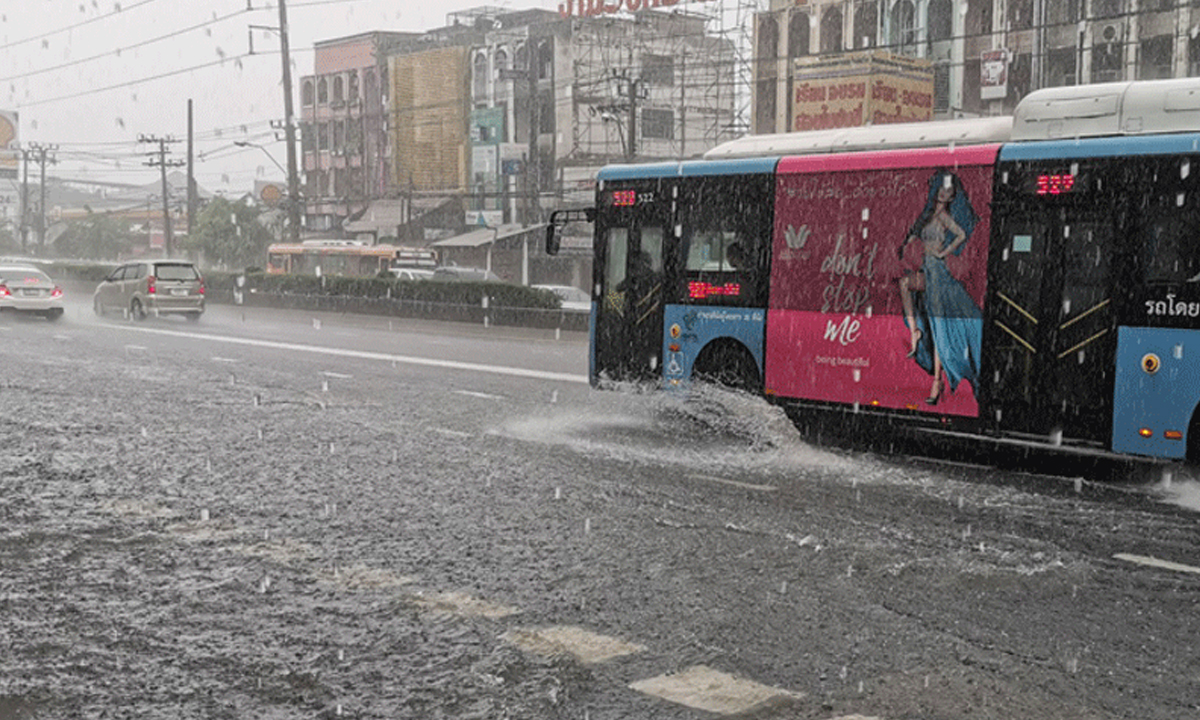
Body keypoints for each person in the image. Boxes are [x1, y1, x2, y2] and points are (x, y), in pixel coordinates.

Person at [897, 171, 982, 405]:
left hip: (938, 272)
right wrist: (912, 241)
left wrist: (943, 252)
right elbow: (915, 236)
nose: (944, 195)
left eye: (949, 193)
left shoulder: (944, 216)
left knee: (938, 326)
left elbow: (961, 234)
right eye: (943, 190)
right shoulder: (927, 216)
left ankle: (937, 381)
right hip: (928, 270)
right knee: (906, 285)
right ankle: (915, 330)